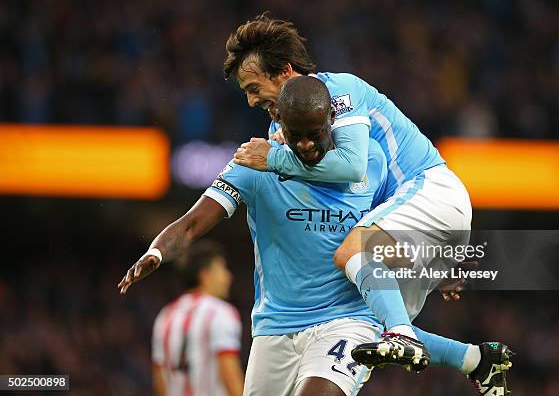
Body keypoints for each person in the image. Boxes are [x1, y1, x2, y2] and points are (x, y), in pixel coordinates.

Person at [120, 77, 510, 395]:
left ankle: (438, 347)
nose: (306, 145)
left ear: (331, 123)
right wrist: (156, 251)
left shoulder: (367, 161)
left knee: (372, 325)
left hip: (345, 320)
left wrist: (433, 264)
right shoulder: (254, 166)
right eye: (296, 135)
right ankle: (474, 359)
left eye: (315, 134)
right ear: (280, 128)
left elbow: (395, 227)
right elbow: (190, 223)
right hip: (276, 326)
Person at [225, 15, 512, 395]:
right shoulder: (284, 128)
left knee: (353, 252)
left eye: (253, 86)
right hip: (407, 214)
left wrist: (273, 159)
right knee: (363, 315)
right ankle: (477, 361)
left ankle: (403, 337)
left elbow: (352, 165)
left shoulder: (337, 90)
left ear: (284, 71)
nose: (250, 99)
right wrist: (425, 261)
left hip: (428, 189)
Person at [151, 241, 244, 396]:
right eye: (222, 269)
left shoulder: (165, 316)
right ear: (205, 275)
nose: (229, 277)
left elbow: (160, 377)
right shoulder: (220, 312)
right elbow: (230, 376)